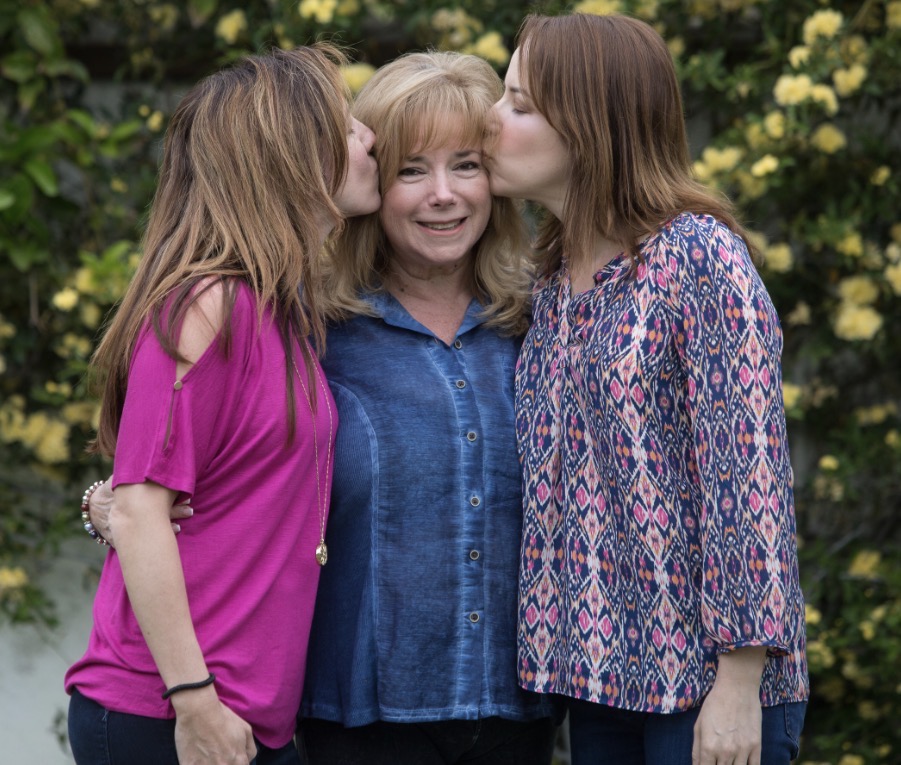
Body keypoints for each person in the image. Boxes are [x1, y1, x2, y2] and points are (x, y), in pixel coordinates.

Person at [487, 13, 808, 765]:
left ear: (589, 127)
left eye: (518, 105)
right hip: (599, 681)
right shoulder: (549, 281)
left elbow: (747, 473)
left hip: (706, 688)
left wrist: (739, 680)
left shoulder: (698, 257)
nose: (490, 120)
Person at [65, 45, 380, 765]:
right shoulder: (209, 304)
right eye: (348, 125)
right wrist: (196, 703)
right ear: (293, 155)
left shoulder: (281, 312)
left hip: (247, 718)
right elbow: (141, 509)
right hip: (170, 715)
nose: (369, 138)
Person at [297, 50, 559, 764]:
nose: (442, 194)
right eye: (411, 170)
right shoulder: (310, 329)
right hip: (358, 725)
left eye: (465, 165)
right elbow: (213, 463)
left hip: (519, 716)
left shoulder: (545, 322)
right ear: (372, 183)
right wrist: (112, 500)